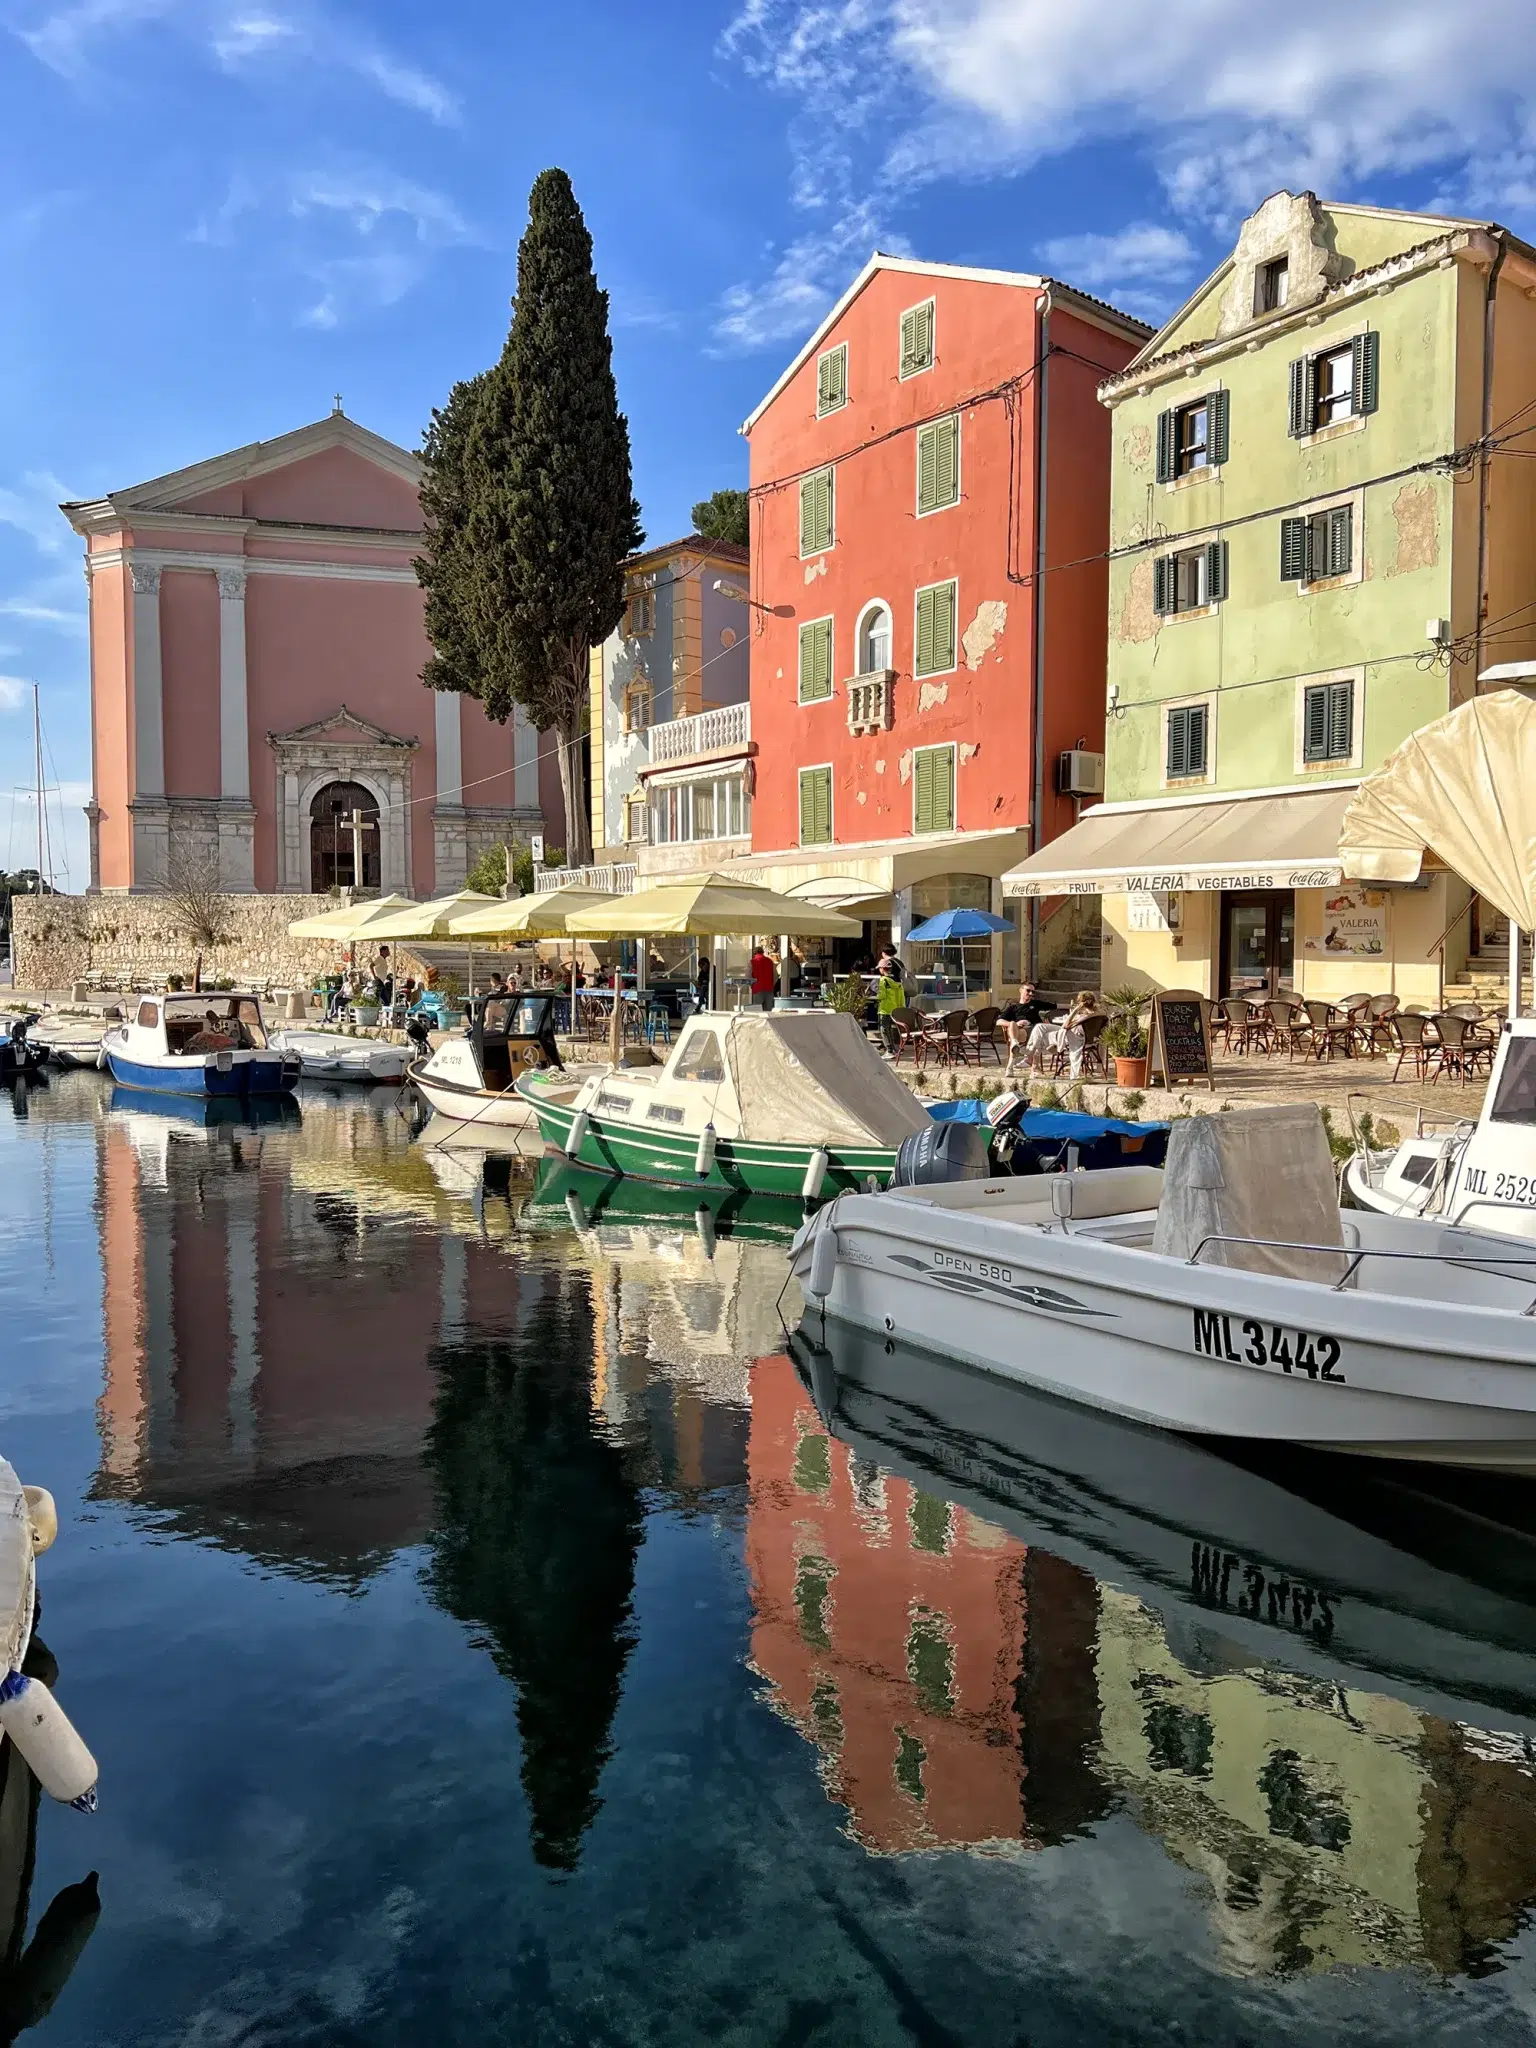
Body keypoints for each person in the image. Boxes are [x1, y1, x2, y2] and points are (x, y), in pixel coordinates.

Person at [1020, 990, 1103, 1081]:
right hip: (1079, 1035)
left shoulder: (1085, 1017)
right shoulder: (1098, 1013)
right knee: (1039, 1027)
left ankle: (1030, 1053)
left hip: (1071, 1036)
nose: (1078, 1003)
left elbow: (1065, 1026)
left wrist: (1075, 1011)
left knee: (1041, 1035)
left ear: (1083, 1003)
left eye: (1079, 1001)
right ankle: (1032, 1052)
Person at [999, 982, 1055, 1063]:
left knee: (1016, 1035)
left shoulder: (1035, 1004)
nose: (1031, 993)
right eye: (1028, 991)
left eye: (1033, 992)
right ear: (1021, 990)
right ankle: (1018, 1048)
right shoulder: (1013, 1008)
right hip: (1019, 1031)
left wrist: (1073, 1007)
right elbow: (999, 1021)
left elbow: (1055, 1006)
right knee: (1012, 1024)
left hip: (1035, 1030)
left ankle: (1016, 1055)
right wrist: (1015, 1024)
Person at [876, 959, 907, 1054]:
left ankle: (889, 1050)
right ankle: (895, 1049)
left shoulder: (883, 981)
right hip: (895, 1010)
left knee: (884, 1030)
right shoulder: (898, 982)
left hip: (885, 1009)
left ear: (882, 969)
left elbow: (882, 995)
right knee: (891, 1030)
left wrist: (875, 996)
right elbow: (901, 997)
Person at [749, 943, 777, 1012]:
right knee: (769, 1010)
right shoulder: (770, 961)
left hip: (757, 988)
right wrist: (772, 984)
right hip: (769, 988)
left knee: (757, 1009)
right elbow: (775, 975)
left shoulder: (752, 962)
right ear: (763, 952)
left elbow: (748, 976)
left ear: (754, 953)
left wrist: (752, 985)